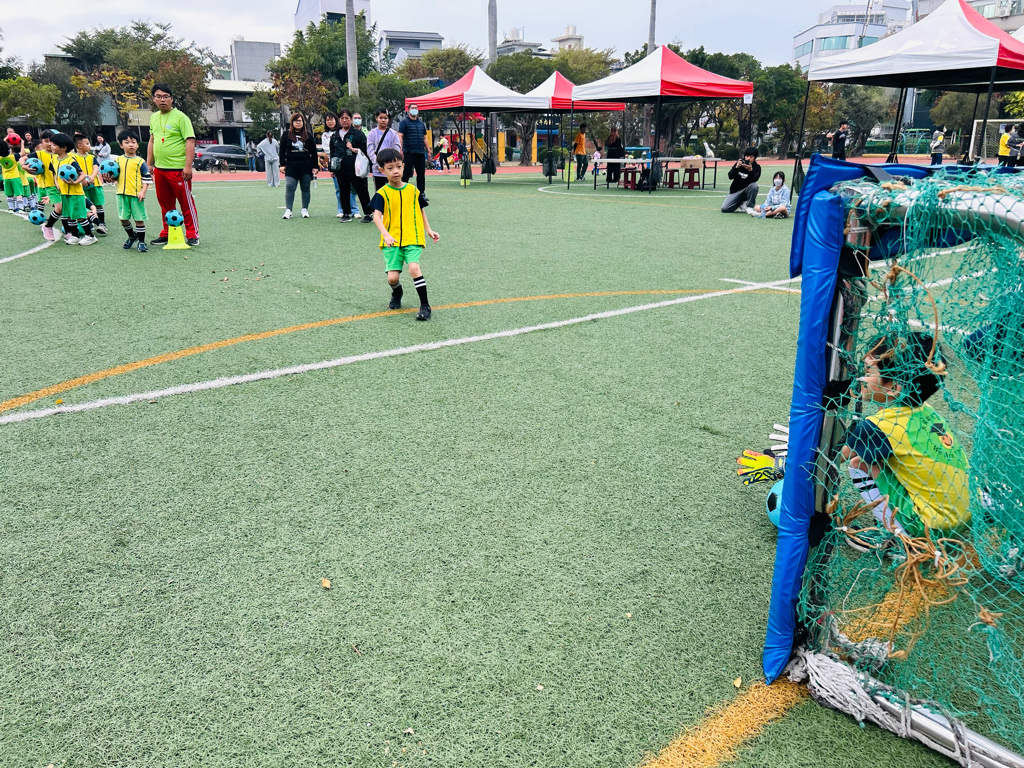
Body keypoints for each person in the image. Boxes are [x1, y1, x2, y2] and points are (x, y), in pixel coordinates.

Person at [841, 332, 970, 541]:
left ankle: (897, 537)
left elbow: (834, 457)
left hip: (932, 525)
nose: (860, 377)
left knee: (858, 464)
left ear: (894, 388)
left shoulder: (880, 426)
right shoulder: (929, 412)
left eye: (867, 370)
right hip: (968, 514)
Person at [371, 148, 440, 321]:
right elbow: (376, 216)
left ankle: (425, 306)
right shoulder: (382, 193)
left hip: (412, 238)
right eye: (390, 168)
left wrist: (429, 230)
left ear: (403, 166)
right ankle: (397, 292)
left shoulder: (413, 191)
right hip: (392, 241)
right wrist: (386, 234)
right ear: (382, 171)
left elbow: (421, 211)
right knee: (392, 278)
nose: (395, 171)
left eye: (398, 166)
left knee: (414, 268)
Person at [147, 82, 199, 246]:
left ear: (172, 99)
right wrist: (149, 163)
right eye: (158, 97)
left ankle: (192, 234)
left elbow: (190, 141)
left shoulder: (181, 118)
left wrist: (188, 166)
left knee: (186, 203)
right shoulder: (154, 117)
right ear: (153, 99)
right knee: (165, 203)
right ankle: (167, 231)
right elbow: (152, 140)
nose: (162, 100)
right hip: (160, 169)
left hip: (178, 170)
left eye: (165, 97)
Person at [47, 132, 96, 245]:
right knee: (69, 216)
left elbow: (82, 174)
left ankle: (90, 236)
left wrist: (75, 182)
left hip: (75, 193)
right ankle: (75, 236)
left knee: (79, 216)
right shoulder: (54, 160)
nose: (51, 146)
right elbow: (55, 174)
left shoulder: (71, 160)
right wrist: (56, 183)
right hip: (64, 193)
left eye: (54, 145)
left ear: (64, 148)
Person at [109, 129, 152, 253]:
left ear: (137, 145)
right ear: (121, 145)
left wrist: (143, 191)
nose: (131, 145)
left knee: (139, 219)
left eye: (133, 142)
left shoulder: (140, 162)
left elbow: (147, 178)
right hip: (121, 194)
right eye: (127, 142)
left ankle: (142, 242)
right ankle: (132, 236)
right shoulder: (117, 161)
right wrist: (110, 178)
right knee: (123, 219)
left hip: (136, 195)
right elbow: (115, 177)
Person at [332, 109, 372, 223]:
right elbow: (332, 152)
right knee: (343, 190)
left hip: (356, 167)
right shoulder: (335, 136)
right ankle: (346, 213)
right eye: (342, 118)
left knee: (361, 190)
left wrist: (354, 149)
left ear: (351, 120)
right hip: (341, 168)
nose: (344, 120)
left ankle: (368, 214)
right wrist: (332, 167)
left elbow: (365, 149)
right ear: (339, 120)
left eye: (347, 118)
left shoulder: (358, 134)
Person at [280, 112, 317, 219]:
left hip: (306, 166)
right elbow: (281, 150)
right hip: (291, 166)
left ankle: (305, 209)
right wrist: (282, 164)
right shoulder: (286, 135)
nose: (298, 123)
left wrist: (315, 167)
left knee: (305, 187)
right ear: (292, 122)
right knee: (290, 186)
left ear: (303, 122)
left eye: (300, 121)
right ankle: (288, 210)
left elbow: (314, 152)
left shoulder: (308, 135)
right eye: (296, 121)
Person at [74, 133, 107, 235]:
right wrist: (82, 179)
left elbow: (95, 167)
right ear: (80, 145)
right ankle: (90, 223)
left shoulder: (91, 157)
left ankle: (102, 223)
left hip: (95, 184)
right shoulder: (73, 158)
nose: (90, 146)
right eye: (87, 143)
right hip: (82, 186)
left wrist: (92, 176)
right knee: (86, 205)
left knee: (98, 204)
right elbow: (74, 170)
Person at [397, 103, 430, 202]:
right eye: (412, 108)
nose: (414, 109)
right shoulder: (404, 122)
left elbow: (424, 138)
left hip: (420, 152)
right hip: (408, 152)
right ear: (408, 110)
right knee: (406, 173)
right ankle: (402, 191)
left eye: (416, 108)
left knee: (421, 173)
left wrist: (428, 150)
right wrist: (400, 149)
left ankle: (421, 193)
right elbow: (400, 136)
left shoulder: (421, 123)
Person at [367, 107, 401, 192]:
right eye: (381, 118)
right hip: (378, 170)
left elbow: (396, 149)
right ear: (376, 118)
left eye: (385, 118)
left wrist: (391, 164)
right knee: (380, 193)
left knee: (394, 191)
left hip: (391, 170)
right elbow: (370, 151)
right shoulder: (372, 134)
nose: (383, 120)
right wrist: (378, 164)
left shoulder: (393, 133)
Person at [721, 147, 761, 213]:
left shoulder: (756, 167)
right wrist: (736, 168)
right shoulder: (740, 163)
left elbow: (755, 179)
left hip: (747, 190)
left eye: (751, 157)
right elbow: (730, 176)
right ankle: (740, 203)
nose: (748, 158)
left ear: (754, 158)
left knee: (754, 186)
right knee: (724, 208)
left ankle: (749, 207)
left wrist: (750, 171)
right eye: (747, 156)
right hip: (735, 191)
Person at [322, 112, 344, 218]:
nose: (330, 122)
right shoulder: (325, 135)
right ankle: (340, 209)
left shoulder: (342, 131)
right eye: (327, 120)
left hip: (345, 162)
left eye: (331, 119)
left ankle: (353, 209)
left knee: (350, 188)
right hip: (334, 163)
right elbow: (327, 150)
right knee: (338, 188)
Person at [0, 138, 26, 215]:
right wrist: (22, 144)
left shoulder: (0, 158)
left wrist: (5, 141)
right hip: (15, 177)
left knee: (9, 194)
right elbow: (22, 153)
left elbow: (3, 148)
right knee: (19, 194)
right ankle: (20, 209)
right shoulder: (13, 157)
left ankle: (11, 209)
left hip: (6, 178)